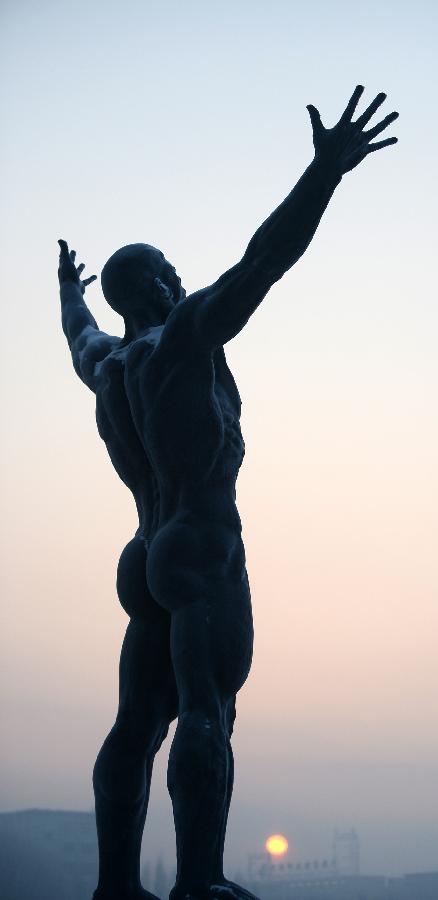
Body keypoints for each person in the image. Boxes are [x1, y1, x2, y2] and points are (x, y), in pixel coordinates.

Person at [58, 85, 398, 900]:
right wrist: (325, 173)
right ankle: (199, 881)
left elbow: (75, 333)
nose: (180, 280)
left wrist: (67, 292)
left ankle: (116, 887)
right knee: (208, 706)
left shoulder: (109, 365)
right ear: (161, 287)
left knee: (137, 722)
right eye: (170, 273)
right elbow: (263, 261)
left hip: (142, 553)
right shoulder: (182, 337)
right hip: (201, 542)